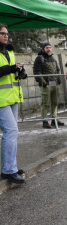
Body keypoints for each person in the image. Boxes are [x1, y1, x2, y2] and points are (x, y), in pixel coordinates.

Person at [0, 23, 26, 184]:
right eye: (2, 33)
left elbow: (11, 73)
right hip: (1, 99)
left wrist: (21, 72)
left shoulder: (9, 51)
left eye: (7, 33)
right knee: (11, 131)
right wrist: (11, 68)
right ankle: (9, 170)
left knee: (11, 133)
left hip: (13, 97)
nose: (6, 35)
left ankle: (9, 168)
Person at [33, 42, 64, 128]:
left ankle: (54, 119)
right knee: (45, 103)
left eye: (50, 47)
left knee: (55, 102)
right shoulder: (39, 58)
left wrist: (58, 80)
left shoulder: (53, 58)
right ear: (43, 49)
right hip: (46, 85)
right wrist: (44, 83)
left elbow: (57, 70)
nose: (49, 49)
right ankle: (45, 121)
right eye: (47, 47)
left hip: (55, 84)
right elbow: (37, 72)